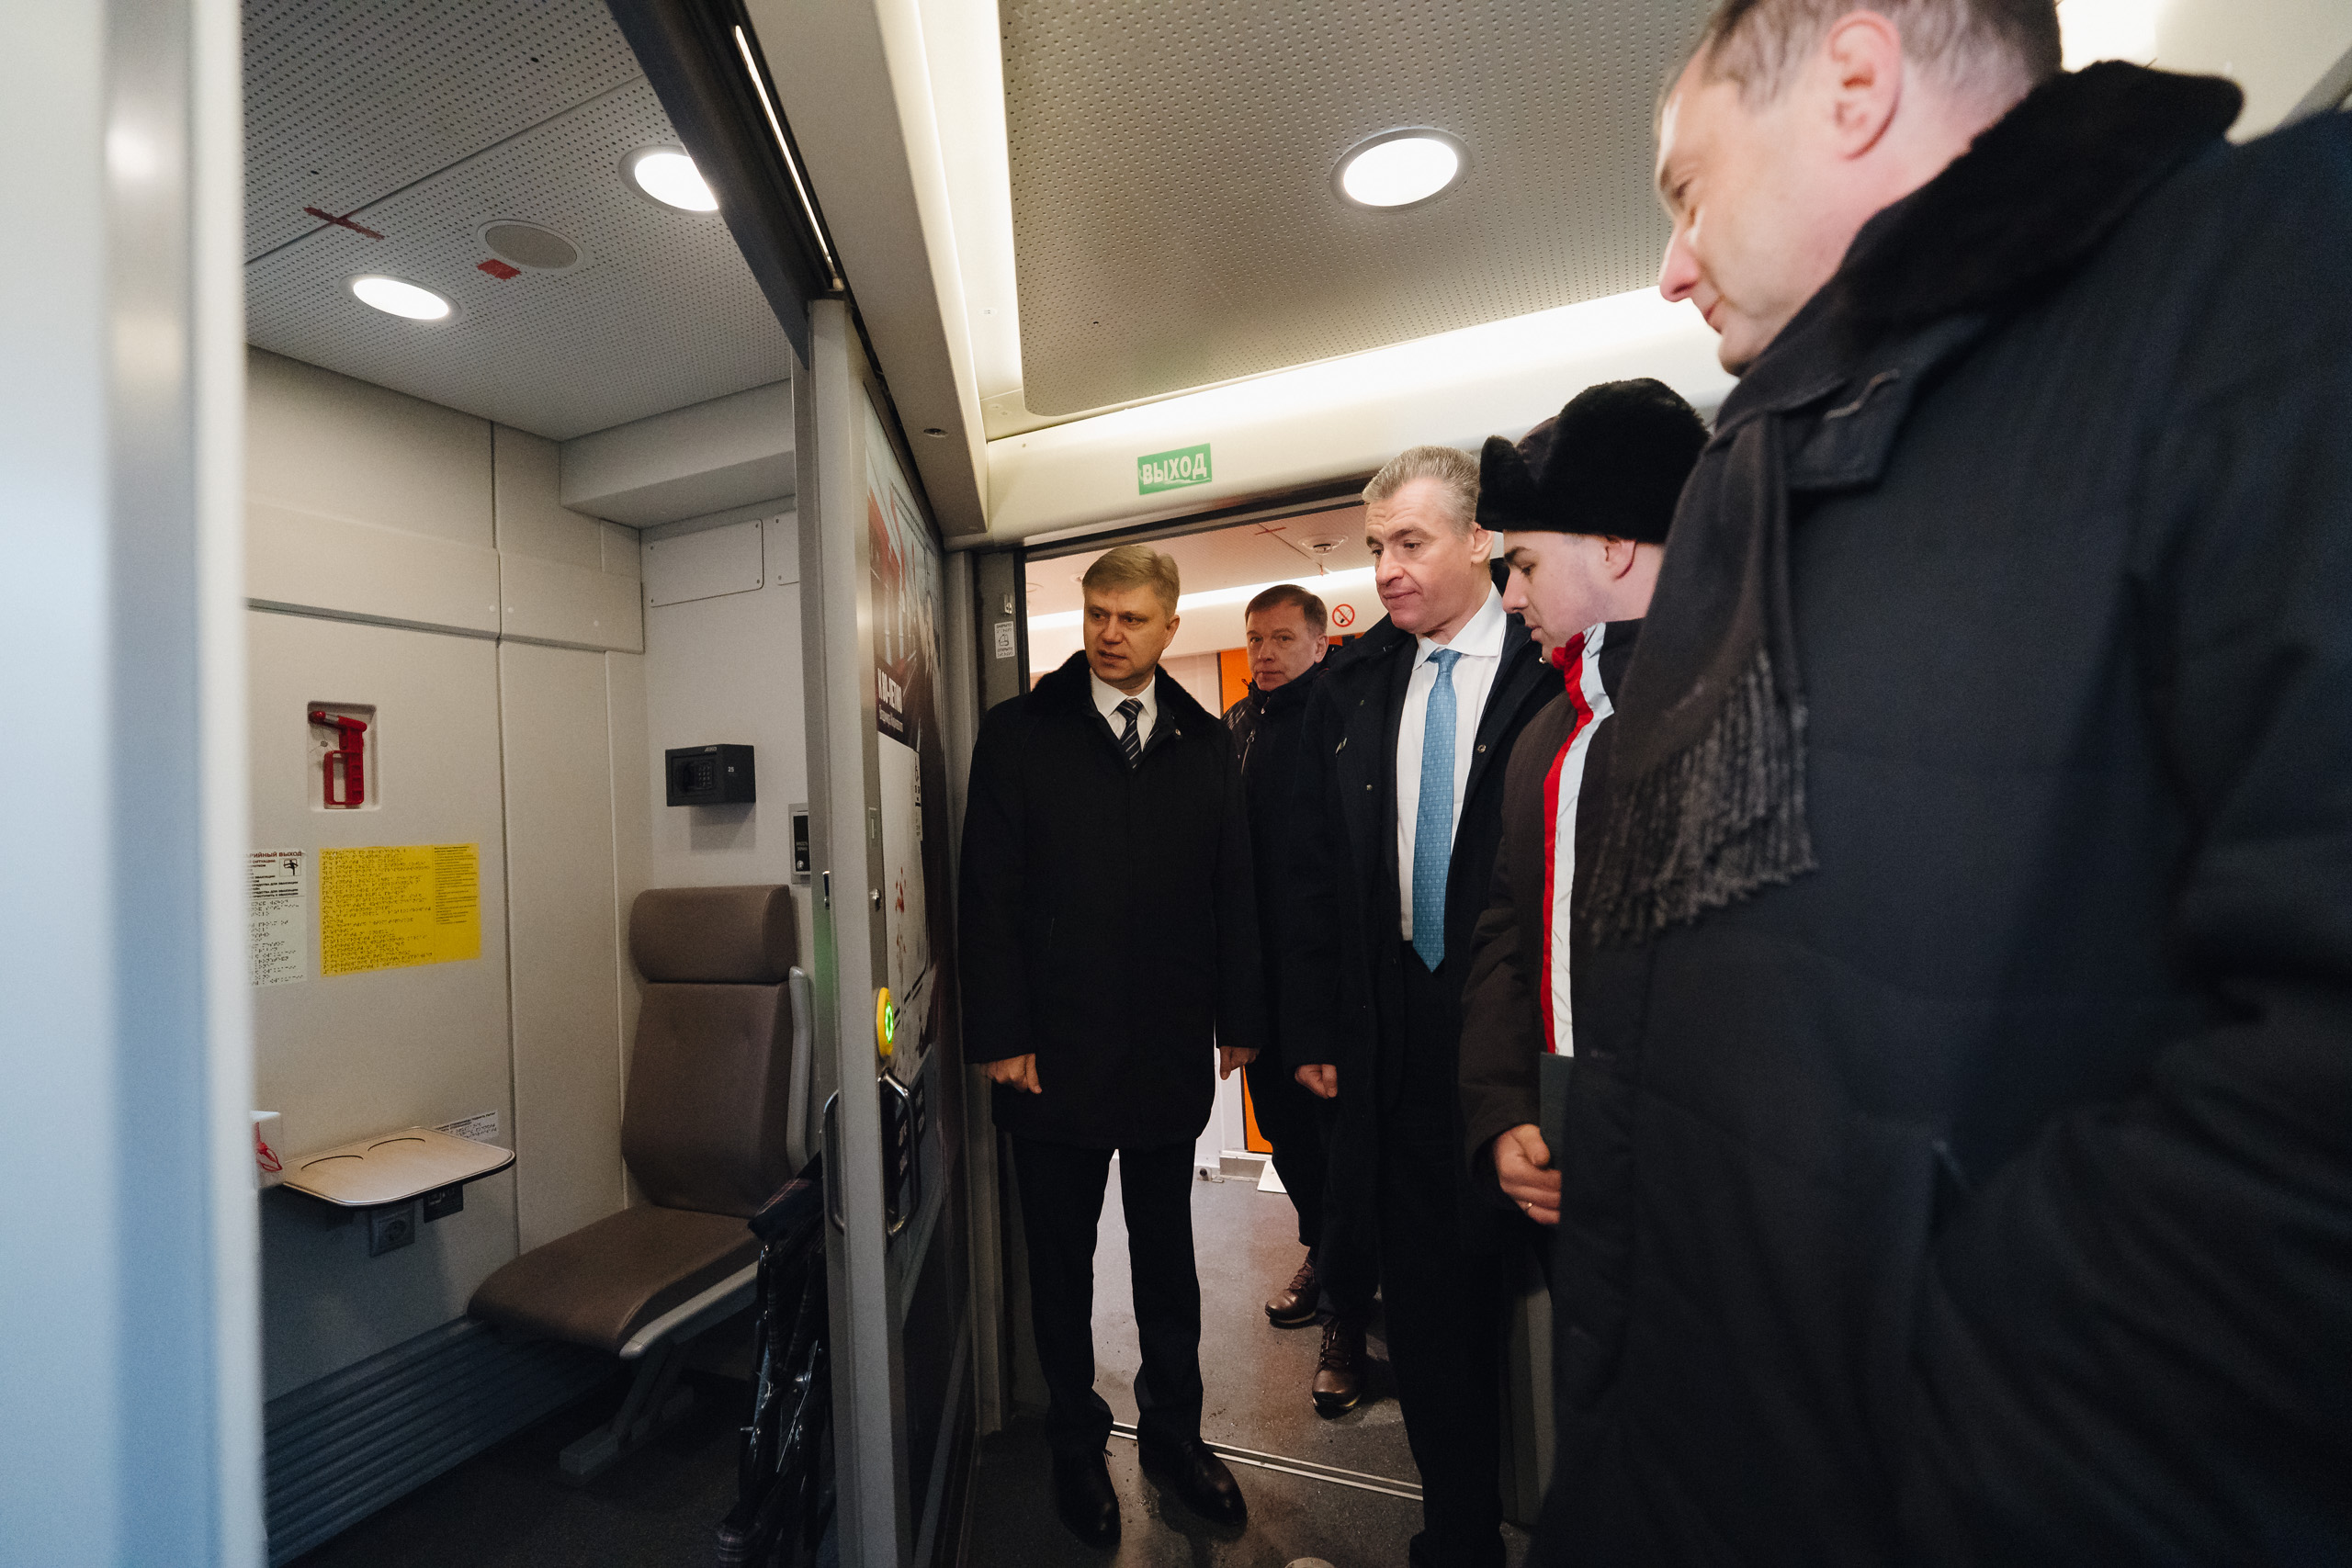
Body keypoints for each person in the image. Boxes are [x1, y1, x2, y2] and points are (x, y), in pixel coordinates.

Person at [1531, 0, 2352, 1561]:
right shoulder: (1747, 477)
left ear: (1854, 81)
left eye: (1687, 191)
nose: (1672, 267)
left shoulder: (2272, 286)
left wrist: (1945, 1402)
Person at [1283, 447, 1563, 1568]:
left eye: (1410, 542)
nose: (1387, 570)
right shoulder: (1350, 689)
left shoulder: (1557, 666)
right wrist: (1315, 1026)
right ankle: (1458, 1538)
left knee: (1566, 1310)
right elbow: (1315, 874)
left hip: (1532, 1040)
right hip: (1396, 1044)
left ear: (1481, 539)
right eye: (1375, 549)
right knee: (1435, 1321)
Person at [958, 544, 1262, 1547]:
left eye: (1131, 618)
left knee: (1168, 1258)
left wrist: (1241, 1018)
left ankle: (1174, 1436)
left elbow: (1233, 886)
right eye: (1096, 613)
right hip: (1050, 1055)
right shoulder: (1019, 732)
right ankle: (1074, 1442)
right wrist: (1002, 1035)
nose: (1108, 633)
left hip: (1165, 1046)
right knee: (1062, 1263)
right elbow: (986, 894)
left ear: (1170, 626)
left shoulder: (1203, 739)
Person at [1453, 378, 1708, 1231]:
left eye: (1524, 565)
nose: (1509, 596)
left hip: (1707, 1198)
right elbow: (1506, 935)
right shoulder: (1547, 738)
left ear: (1614, 546)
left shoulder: (1747, 711)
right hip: (1569, 1171)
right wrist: (1503, 1109)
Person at [1223, 585, 1378, 1393]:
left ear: (1320, 643)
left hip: (1329, 980)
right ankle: (1323, 1251)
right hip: (1260, 983)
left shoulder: (1345, 716)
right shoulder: (1236, 727)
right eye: (1255, 639)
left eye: (1282, 638)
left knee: (1339, 1145)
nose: (1265, 653)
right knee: (1287, 1136)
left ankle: (1347, 1311)